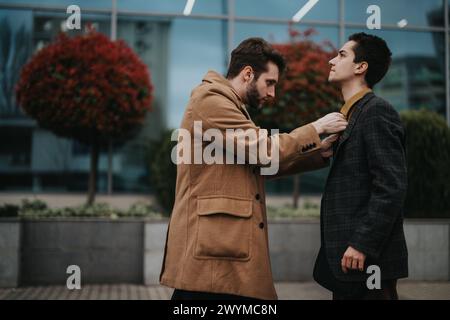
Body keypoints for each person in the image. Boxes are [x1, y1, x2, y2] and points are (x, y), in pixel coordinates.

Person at [160, 37, 347, 300]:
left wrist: (318, 153)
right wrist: (316, 128)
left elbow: (259, 164)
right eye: (270, 83)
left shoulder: (231, 106)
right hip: (212, 251)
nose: (272, 94)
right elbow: (263, 150)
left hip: (221, 248)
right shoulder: (210, 101)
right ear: (248, 73)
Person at [313, 32, 408, 300]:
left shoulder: (377, 111)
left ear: (360, 67)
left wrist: (362, 244)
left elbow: (391, 186)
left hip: (366, 261)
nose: (332, 60)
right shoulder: (351, 114)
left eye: (341, 54)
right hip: (347, 262)